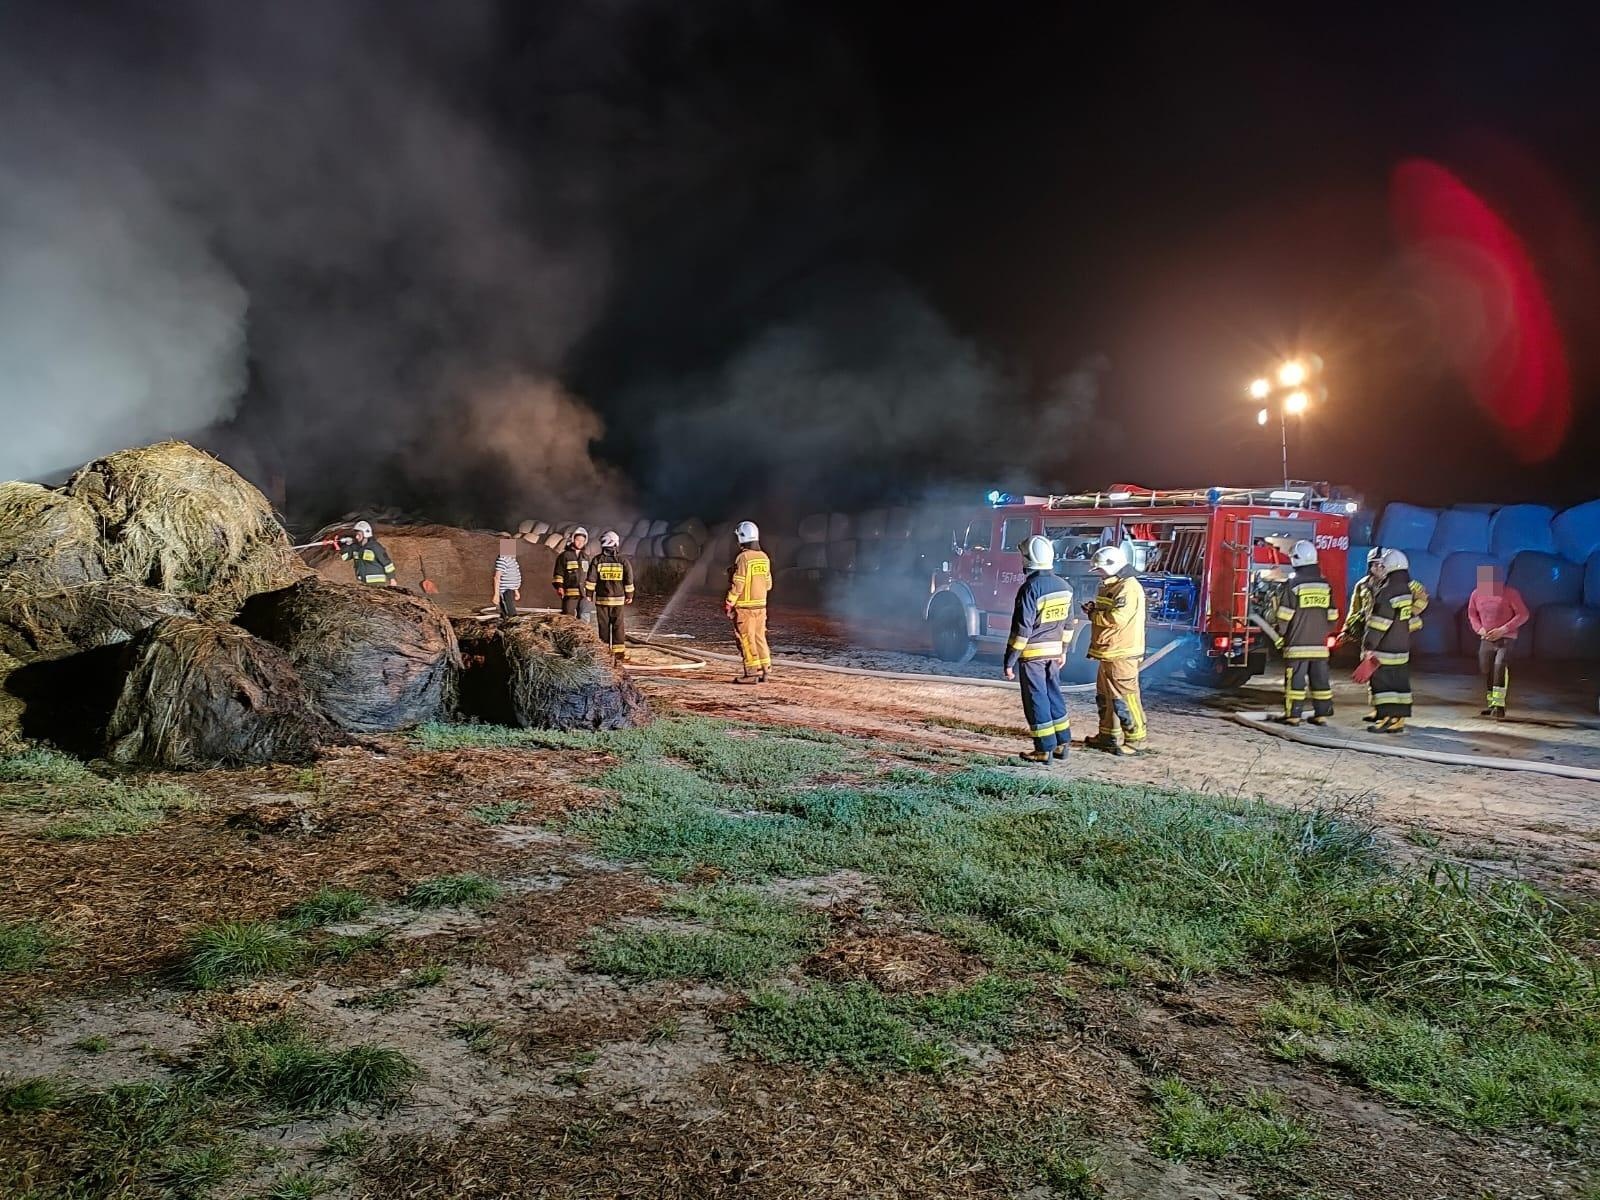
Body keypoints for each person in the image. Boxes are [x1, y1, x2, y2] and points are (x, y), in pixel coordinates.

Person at [1002, 535, 1073, 763]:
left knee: (1036, 699)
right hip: (1054, 653)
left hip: (1032, 655)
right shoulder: (1065, 587)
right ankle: (1062, 743)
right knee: (1054, 695)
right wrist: (1063, 650)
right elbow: (1069, 624)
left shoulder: (1030, 588)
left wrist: (1010, 660)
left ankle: (1043, 749)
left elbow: (1022, 629)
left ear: (1027, 559)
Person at [1082, 544, 1147, 755]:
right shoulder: (1111, 584)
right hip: (1108, 651)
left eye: (1100, 569)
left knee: (1125, 697)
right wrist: (1094, 609)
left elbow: (1117, 618)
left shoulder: (1128, 587)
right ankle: (1108, 736)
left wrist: (1093, 615)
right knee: (1106, 696)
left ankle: (1137, 740)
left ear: (1114, 566)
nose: (1098, 573)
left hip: (1122, 652)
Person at [1271, 539, 1338, 726]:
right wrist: (1323, 631)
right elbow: (1333, 616)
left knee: (1295, 682)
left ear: (1296, 559)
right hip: (1320, 645)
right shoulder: (1325, 584)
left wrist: (1281, 635)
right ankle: (1321, 714)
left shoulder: (1293, 584)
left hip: (1297, 645)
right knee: (1320, 680)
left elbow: (1284, 616)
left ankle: (1293, 715)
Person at [1361, 548, 1424, 733]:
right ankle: (1399, 719)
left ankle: (1387, 718)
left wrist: (1369, 645)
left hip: (1385, 648)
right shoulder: (1406, 590)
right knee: (1399, 683)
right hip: (1401, 647)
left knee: (1383, 683)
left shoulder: (1387, 591)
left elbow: (1379, 623)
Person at [1466, 563, 1529, 719]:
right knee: (1486, 668)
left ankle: (1499, 706)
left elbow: (1523, 614)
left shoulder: (1510, 593)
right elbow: (1472, 614)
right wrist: (1480, 630)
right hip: (1486, 638)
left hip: (1506, 638)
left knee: (1500, 666)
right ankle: (1492, 704)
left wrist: (1503, 629)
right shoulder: (1476, 594)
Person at [725, 521, 773, 683]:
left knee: (746, 639)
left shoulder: (743, 558)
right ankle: (765, 670)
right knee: (760, 637)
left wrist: (730, 601)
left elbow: (738, 583)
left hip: (745, 607)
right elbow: (768, 584)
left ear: (742, 538)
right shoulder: (764, 557)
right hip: (761, 606)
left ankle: (751, 673)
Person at [584, 530, 633, 661]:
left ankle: (604, 652)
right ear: (616, 543)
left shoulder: (597, 560)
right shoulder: (623, 561)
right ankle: (618, 654)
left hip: (602, 600)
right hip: (618, 600)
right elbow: (628, 579)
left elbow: (591, 579)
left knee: (603, 626)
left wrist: (589, 594)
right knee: (618, 626)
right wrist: (629, 595)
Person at [339, 520, 398, 587]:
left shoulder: (375, 547)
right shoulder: (356, 548)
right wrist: (347, 545)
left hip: (377, 583)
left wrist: (392, 579)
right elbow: (345, 557)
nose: (356, 537)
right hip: (363, 583)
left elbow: (387, 563)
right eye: (356, 534)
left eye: (359, 535)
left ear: (366, 534)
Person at [552, 527, 590, 617]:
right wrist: (559, 587)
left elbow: (589, 575)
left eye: (582, 541)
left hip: (584, 594)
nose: (580, 543)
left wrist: (590, 592)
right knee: (568, 617)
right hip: (570, 593)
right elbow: (559, 573)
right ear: (573, 540)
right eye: (578, 540)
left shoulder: (586, 557)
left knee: (584, 617)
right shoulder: (564, 556)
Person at [491, 535, 522, 619]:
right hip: (505, 590)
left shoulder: (512, 560)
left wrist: (516, 590)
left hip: (510, 590)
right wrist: (496, 594)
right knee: (509, 613)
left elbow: (514, 575)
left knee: (511, 611)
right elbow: (497, 577)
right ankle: (510, 623)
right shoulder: (502, 560)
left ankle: (511, 621)